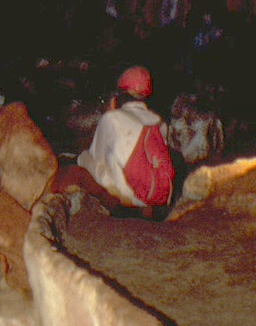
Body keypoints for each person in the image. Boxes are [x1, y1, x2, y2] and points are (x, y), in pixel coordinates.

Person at [53, 66, 175, 217]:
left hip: (129, 197)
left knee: (84, 158)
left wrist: (110, 114)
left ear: (120, 95)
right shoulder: (160, 122)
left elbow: (97, 158)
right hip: (159, 197)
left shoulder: (112, 118)